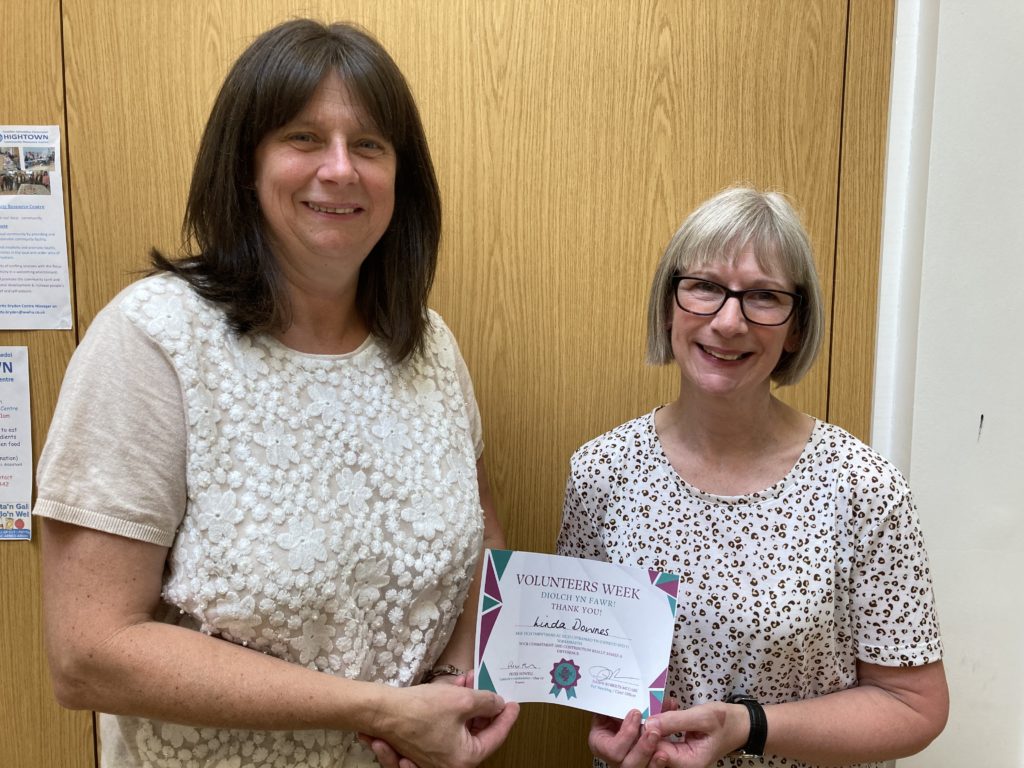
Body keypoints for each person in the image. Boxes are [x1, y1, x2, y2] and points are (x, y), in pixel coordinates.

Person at [34, 18, 518, 768]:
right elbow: (90, 653)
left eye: (369, 145)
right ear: (246, 167)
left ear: (402, 178)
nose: (340, 169)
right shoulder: (154, 339)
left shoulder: (428, 344)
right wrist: (380, 709)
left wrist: (450, 685)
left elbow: (479, 529)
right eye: (302, 138)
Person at [556, 186, 948, 768]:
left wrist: (747, 726)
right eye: (705, 287)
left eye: (764, 296)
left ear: (795, 327)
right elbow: (585, 657)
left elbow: (914, 706)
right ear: (669, 307)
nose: (730, 321)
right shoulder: (600, 472)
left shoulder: (863, 489)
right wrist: (609, 726)